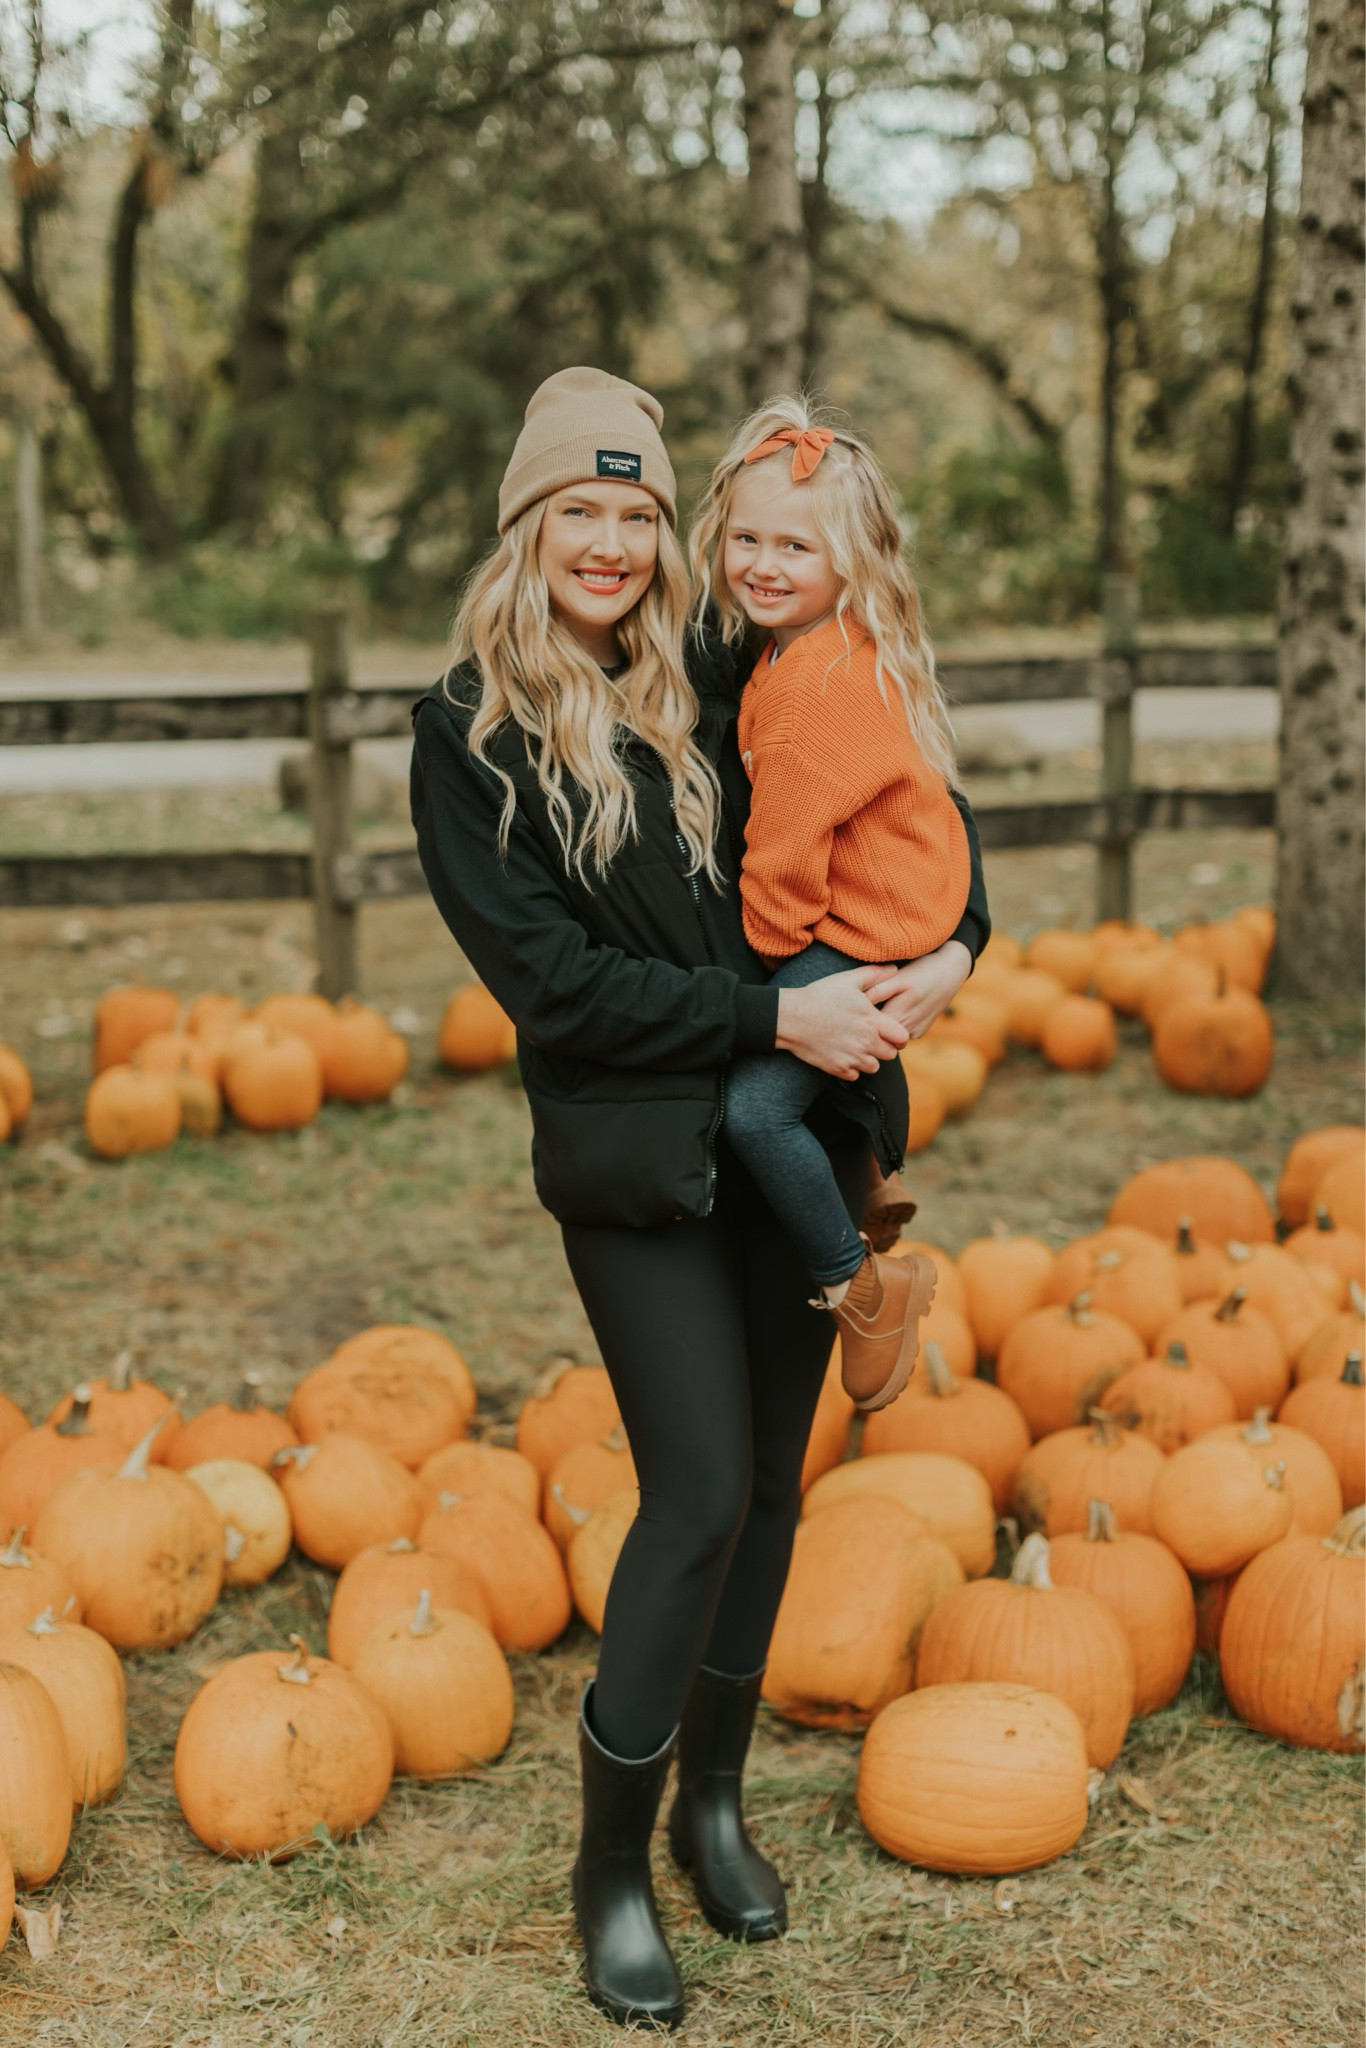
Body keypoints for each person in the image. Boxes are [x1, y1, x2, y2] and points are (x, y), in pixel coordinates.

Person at [410, 367, 990, 2030]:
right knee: (699, 1492)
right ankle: (610, 1871)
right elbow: (553, 982)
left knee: (780, 1497)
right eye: (576, 511)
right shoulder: (470, 735)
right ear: (527, 527)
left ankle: (711, 1805)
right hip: (642, 1161)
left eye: (633, 513)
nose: (609, 542)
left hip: (788, 1138)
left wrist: (950, 954)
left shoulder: (723, 668)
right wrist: (767, 1013)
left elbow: (918, 821)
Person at [688, 399, 976, 1413]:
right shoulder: (821, 645)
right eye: (746, 539)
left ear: (847, 560)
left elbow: (786, 855)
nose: (763, 564)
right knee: (789, 1051)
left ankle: (856, 1279)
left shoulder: (809, 685)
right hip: (896, 905)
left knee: (754, 1106)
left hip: (863, 924)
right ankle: (867, 1189)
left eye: (795, 547)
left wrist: (769, 962)